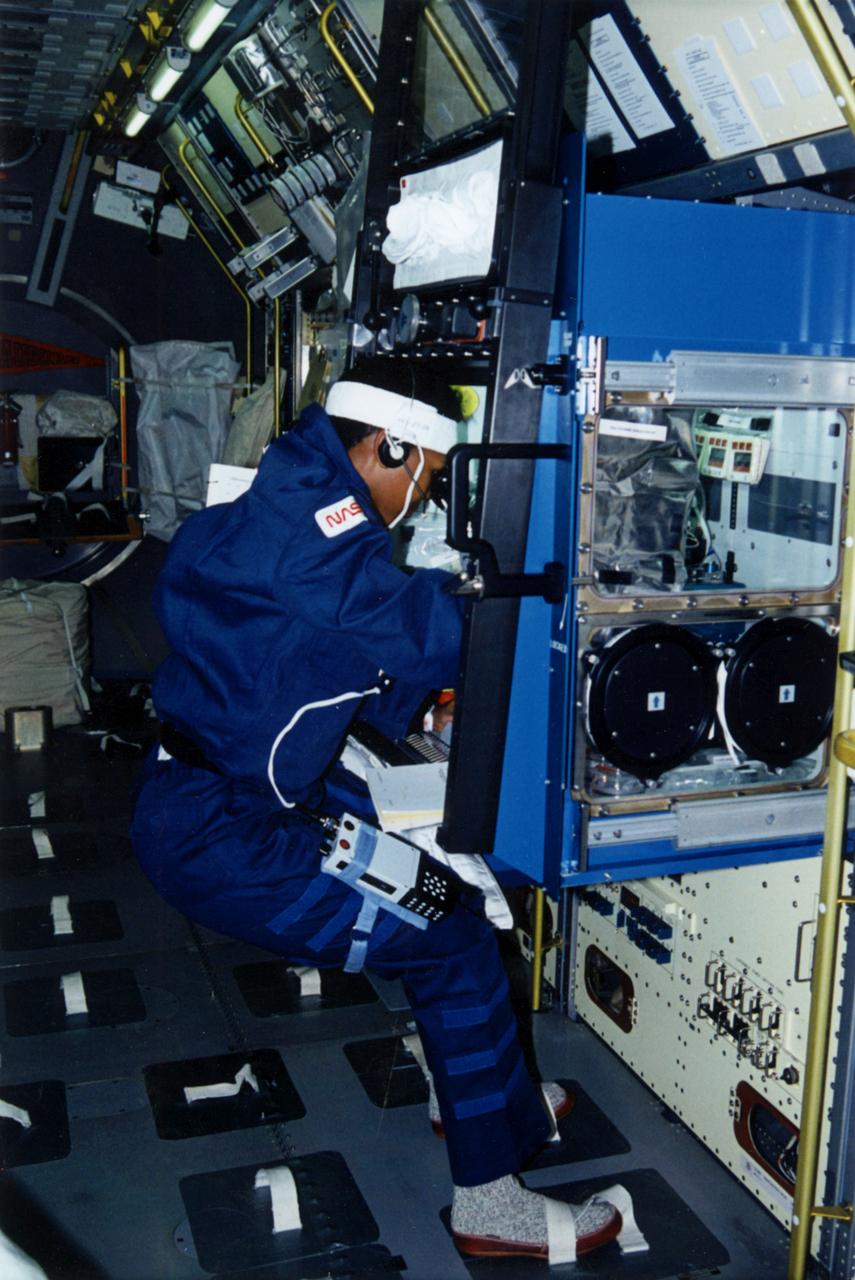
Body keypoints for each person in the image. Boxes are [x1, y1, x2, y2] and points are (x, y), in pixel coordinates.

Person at [130, 357, 622, 1263]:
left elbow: (307, 650)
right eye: (425, 476)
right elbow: (430, 627)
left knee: (450, 883)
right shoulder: (313, 539)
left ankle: (478, 1095)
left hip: (212, 791)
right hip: (232, 836)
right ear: (386, 444)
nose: (425, 501)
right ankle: (491, 1204)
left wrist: (409, 699)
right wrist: (569, 597)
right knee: (452, 933)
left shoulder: (276, 499)